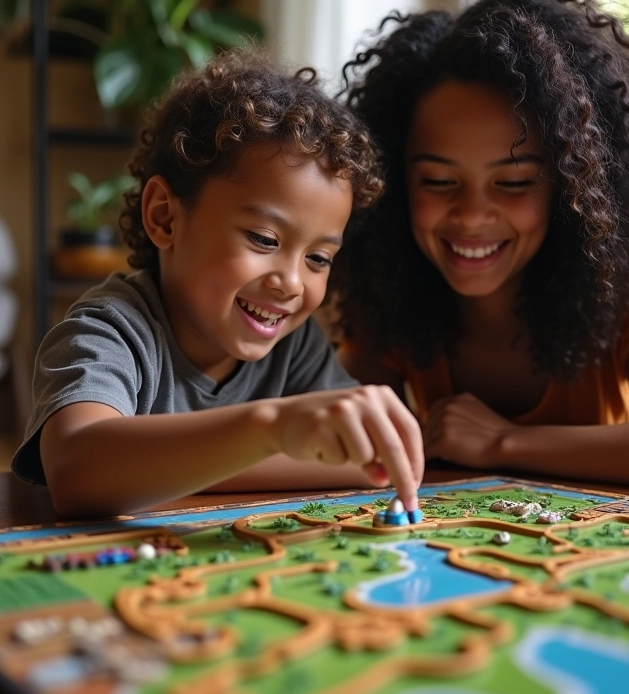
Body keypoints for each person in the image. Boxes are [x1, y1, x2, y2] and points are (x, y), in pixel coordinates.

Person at [330, 0, 629, 491]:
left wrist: (504, 442)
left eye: (512, 183)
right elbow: (336, 443)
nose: (472, 215)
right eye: (438, 181)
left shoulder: (627, 291)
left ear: (572, 185)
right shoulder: (389, 299)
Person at [12, 48, 423, 518]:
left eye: (318, 258)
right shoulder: (107, 332)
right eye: (263, 239)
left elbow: (372, 460)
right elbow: (78, 471)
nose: (291, 283)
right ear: (164, 217)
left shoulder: (294, 347)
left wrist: (192, 464)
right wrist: (272, 429)